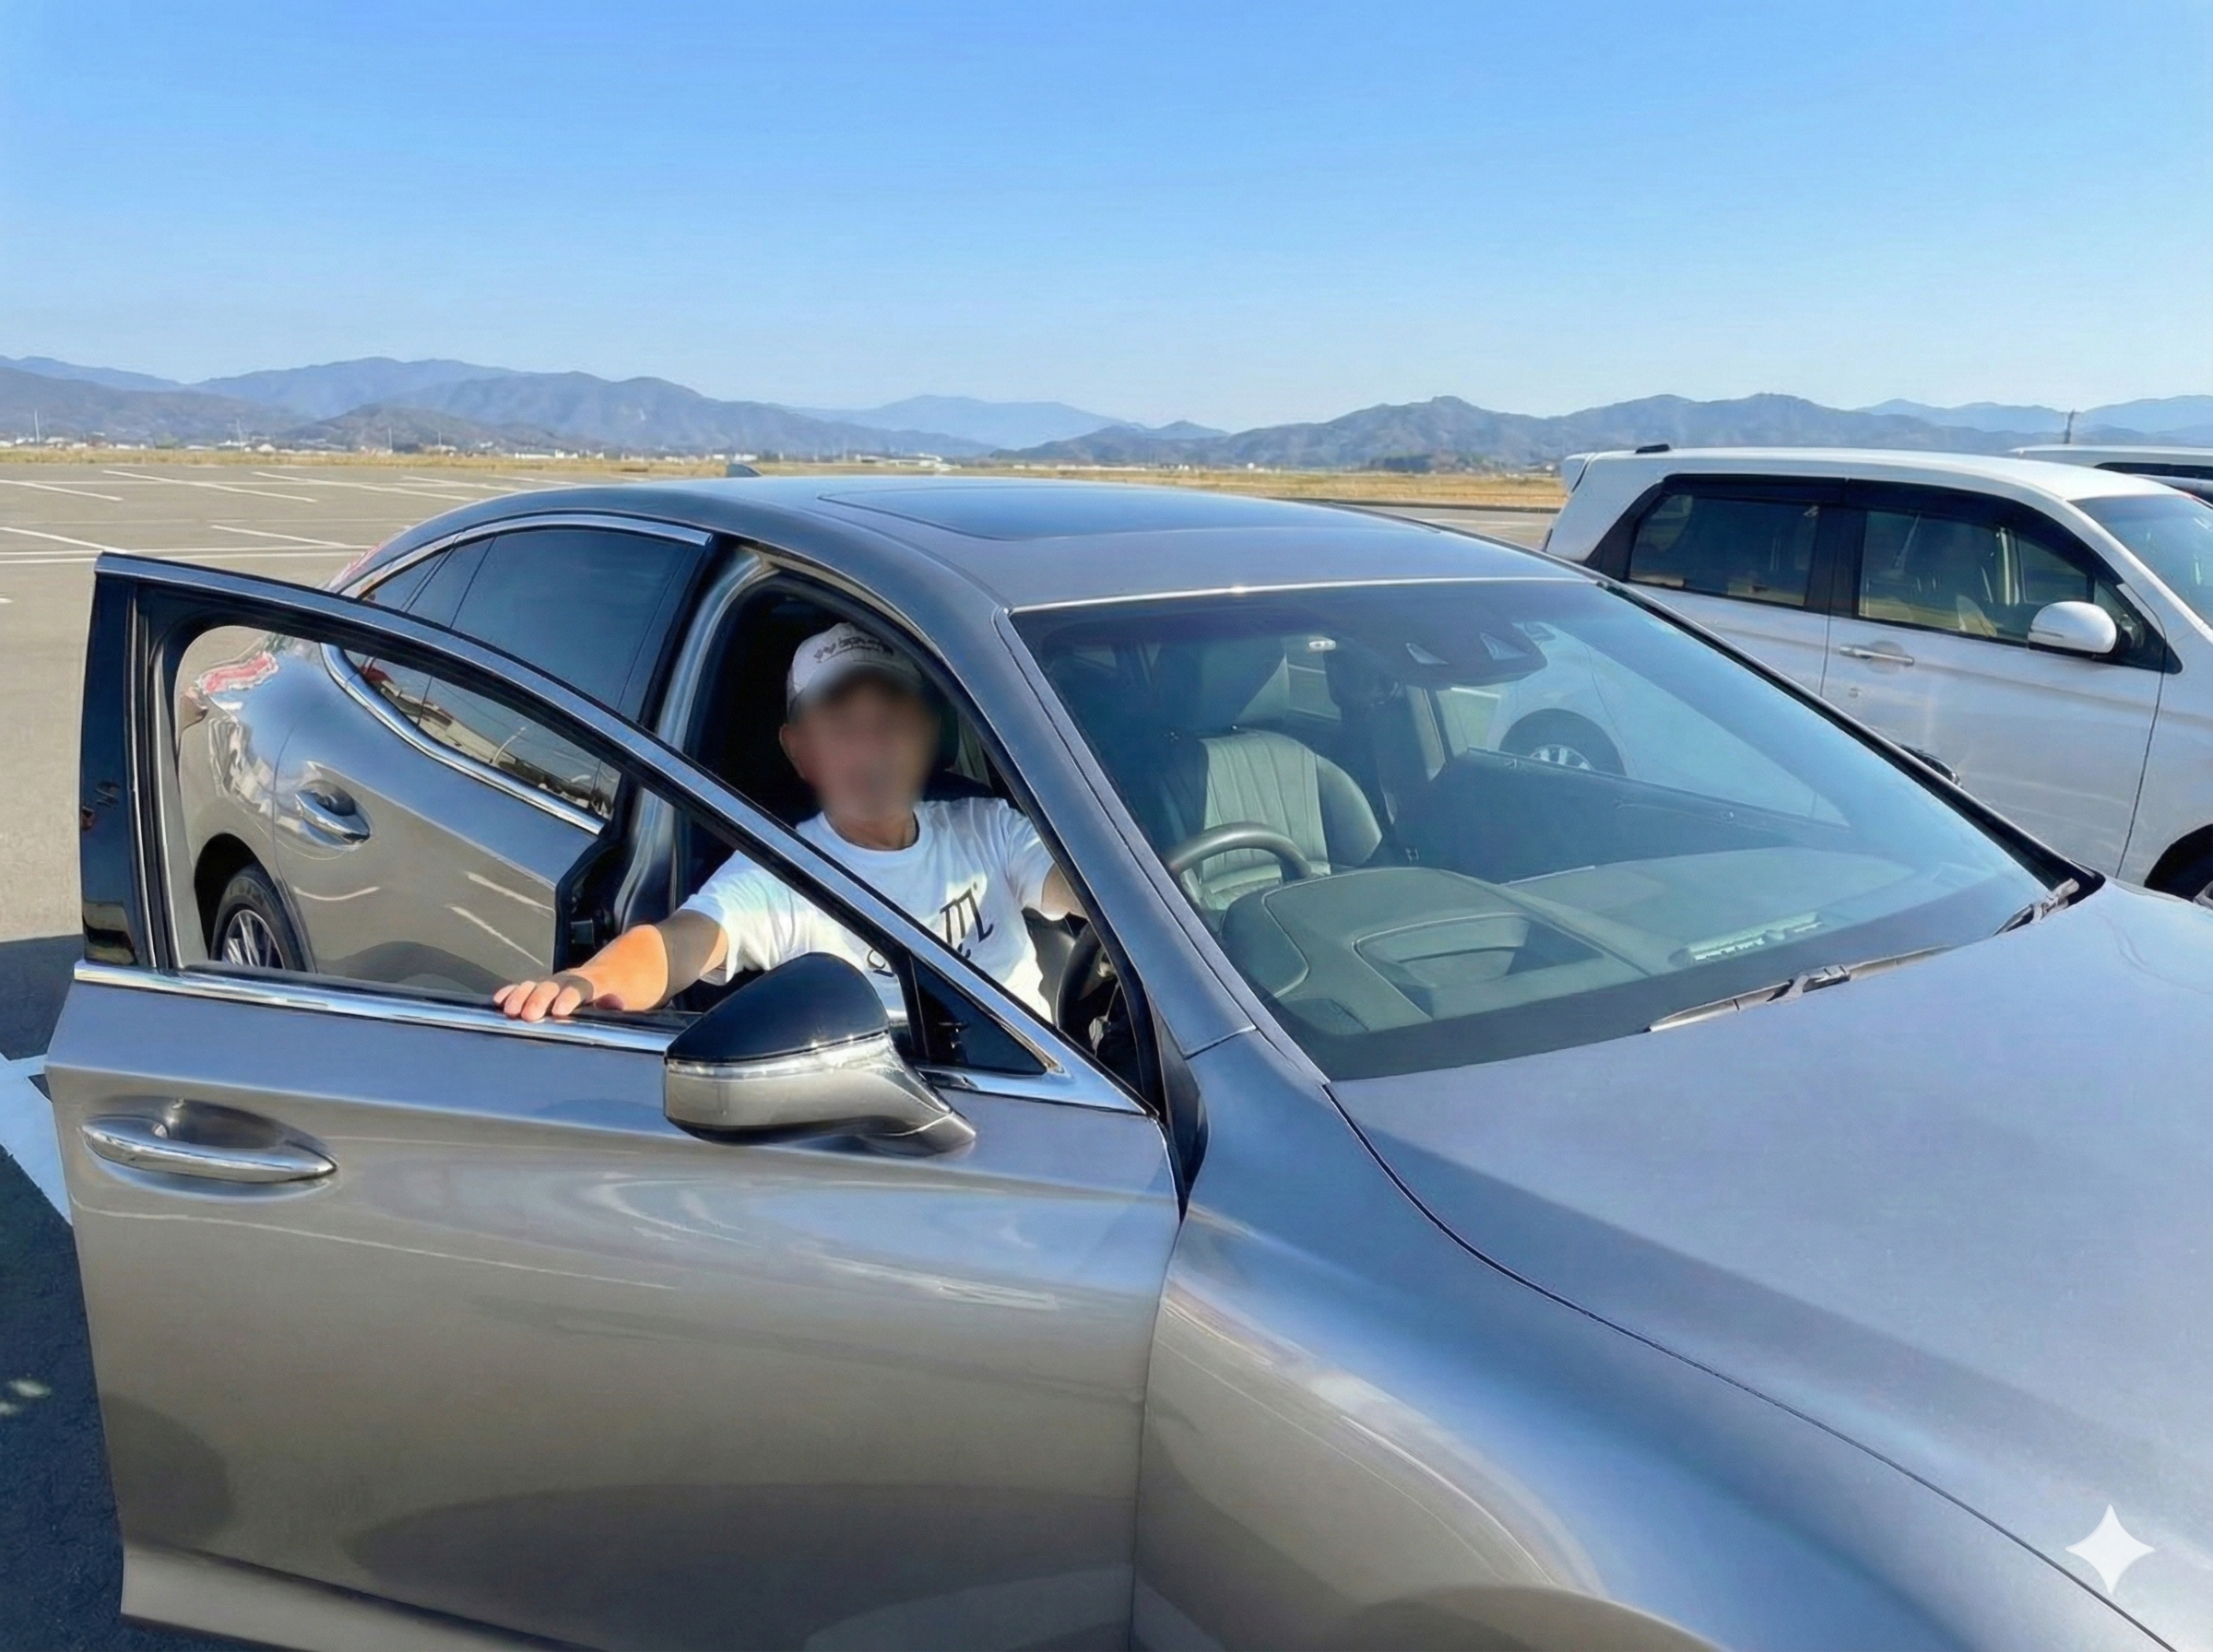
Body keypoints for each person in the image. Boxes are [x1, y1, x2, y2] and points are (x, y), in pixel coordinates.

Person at [493, 622, 1075, 1022]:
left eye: (890, 722)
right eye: (842, 726)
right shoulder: (786, 875)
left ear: (927, 735)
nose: (870, 747)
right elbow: (679, 943)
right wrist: (591, 981)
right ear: (800, 751)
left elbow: (1093, 891)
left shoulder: (989, 828)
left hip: (1062, 1099)